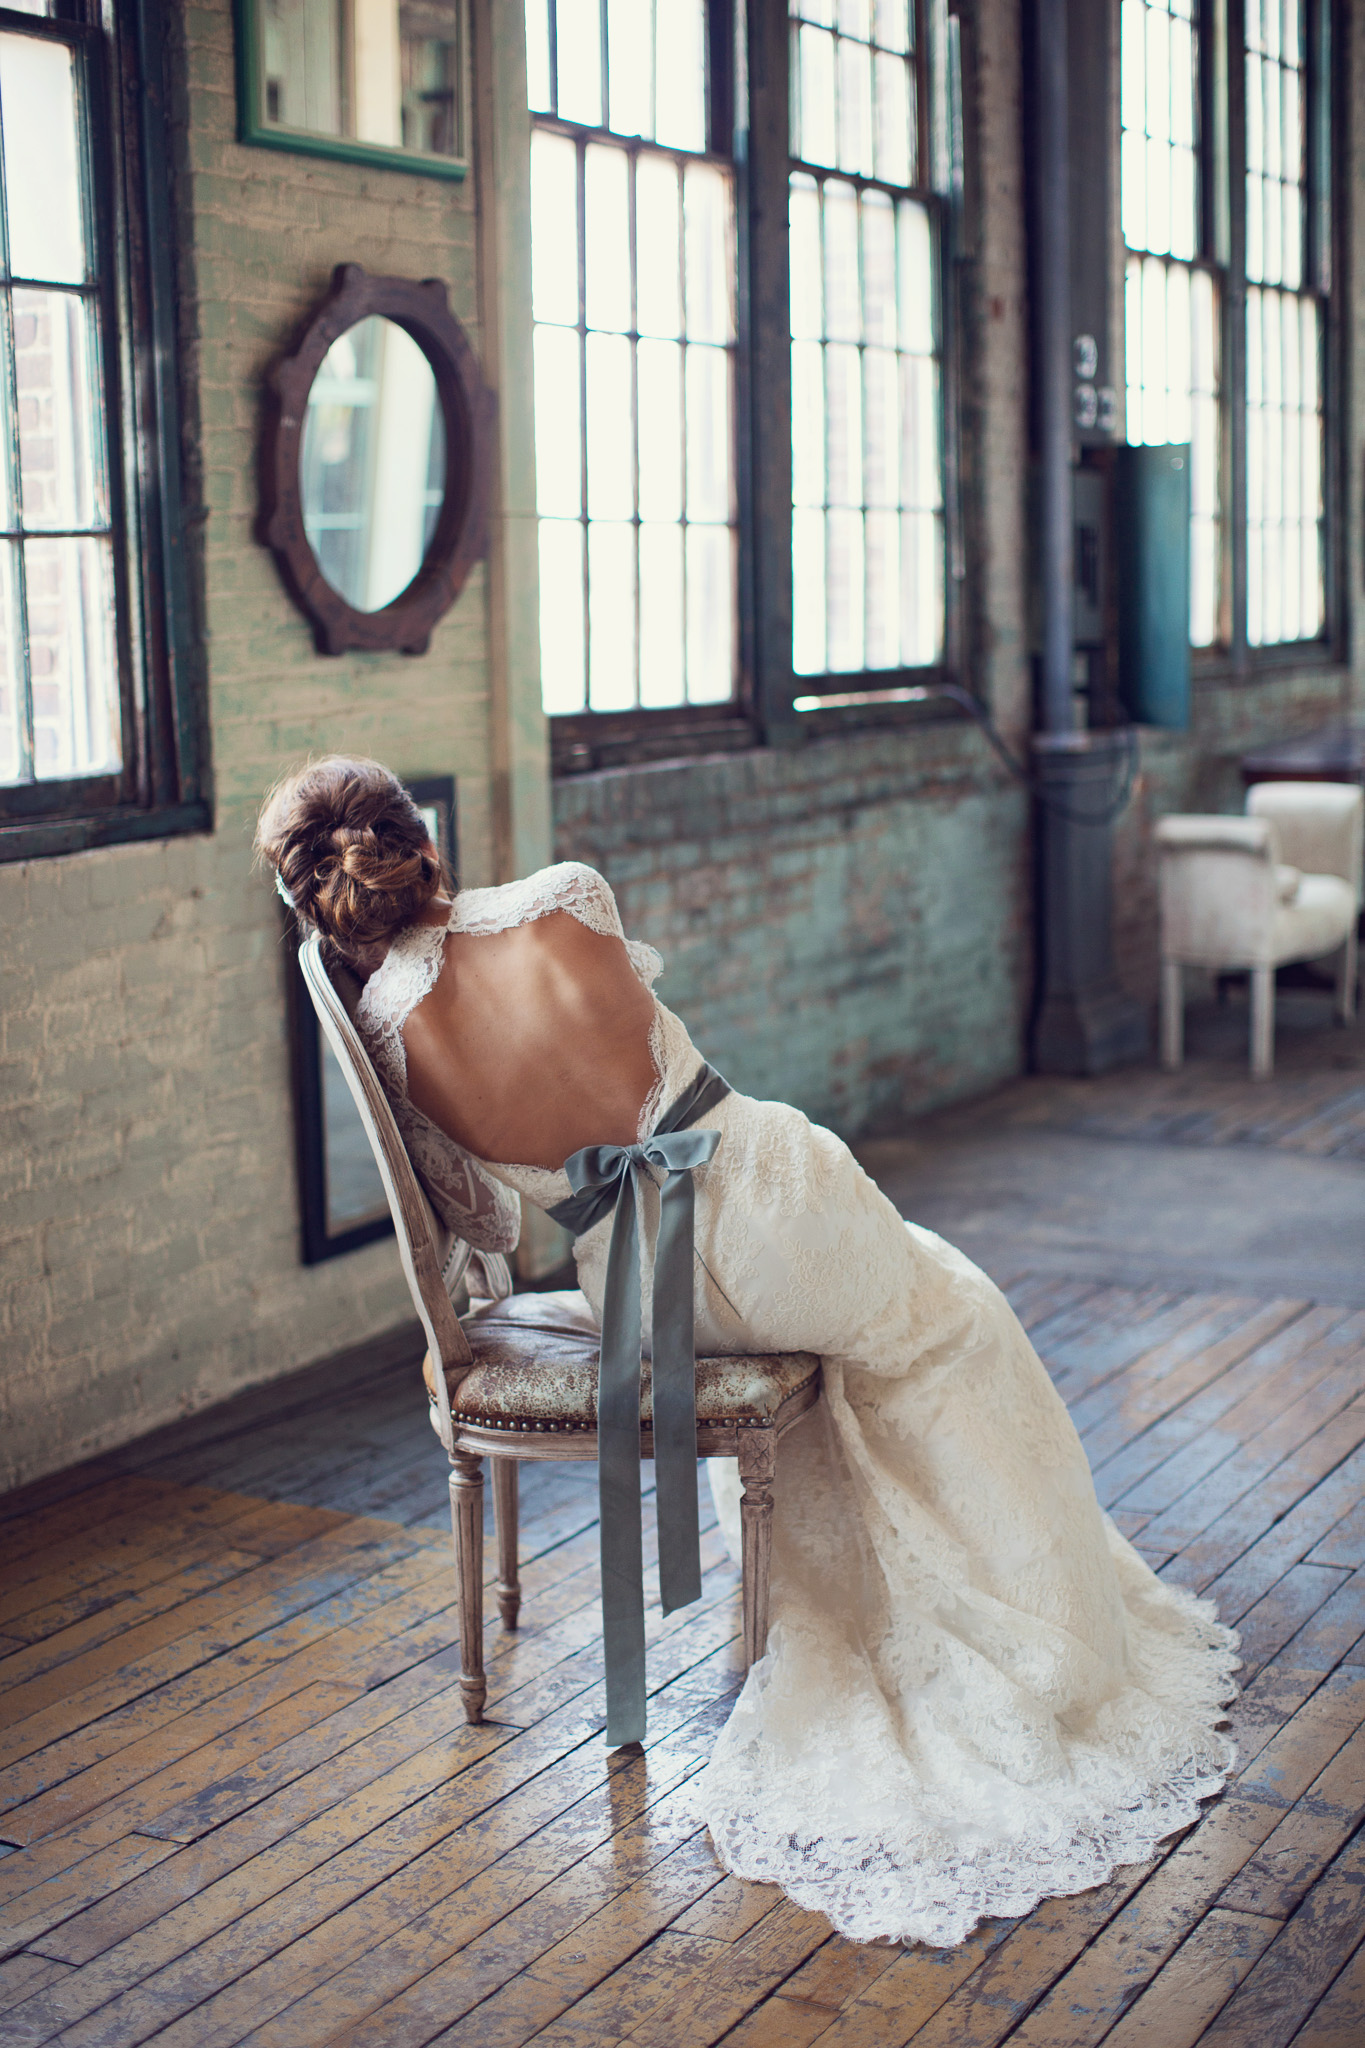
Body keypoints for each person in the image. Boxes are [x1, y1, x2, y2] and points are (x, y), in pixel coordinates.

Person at [256, 754, 1238, 1950]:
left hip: (651, 1295)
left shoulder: (389, 1044)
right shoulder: (566, 895)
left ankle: (894, 1599)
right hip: (770, 1197)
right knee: (954, 1318)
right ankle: (1041, 1623)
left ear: (322, 901)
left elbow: (493, 1228)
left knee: (878, 1355)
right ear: (419, 837)